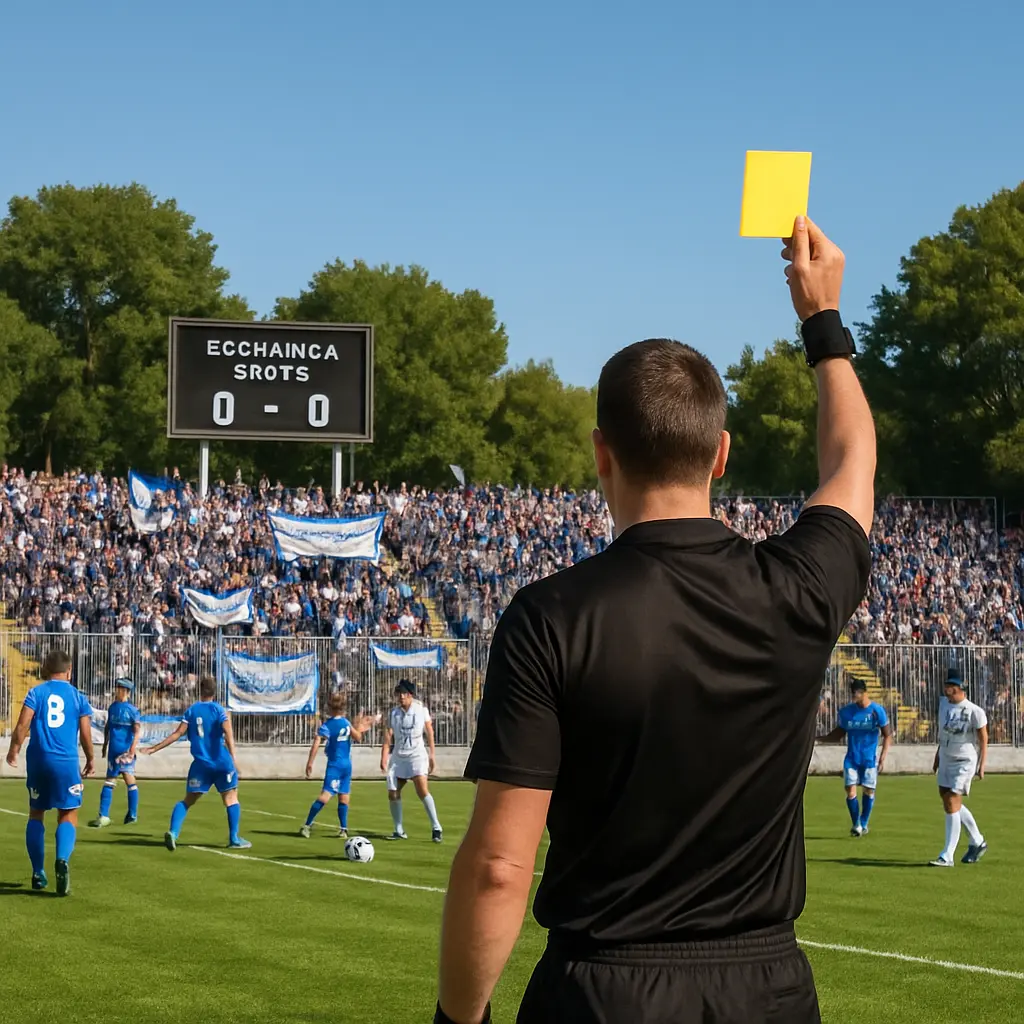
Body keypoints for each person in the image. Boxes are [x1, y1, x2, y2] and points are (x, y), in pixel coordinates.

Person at [436, 216, 875, 1024]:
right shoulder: (798, 588)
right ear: (720, 454)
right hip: (769, 991)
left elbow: (500, 864)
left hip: (602, 993)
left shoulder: (549, 617)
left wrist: (458, 1020)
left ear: (601, 453)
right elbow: (852, 464)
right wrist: (822, 320)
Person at [4, 649, 95, 896]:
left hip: (39, 760)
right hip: (66, 762)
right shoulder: (78, 697)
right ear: (69, 671)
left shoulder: (36, 692)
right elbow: (86, 733)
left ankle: (38, 872)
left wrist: (14, 750)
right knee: (68, 813)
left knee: (36, 813)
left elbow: (22, 724)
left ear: (46, 670)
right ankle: (62, 859)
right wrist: (90, 758)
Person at [142, 674, 251, 851]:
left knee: (187, 800)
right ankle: (234, 838)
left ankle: (173, 832)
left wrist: (154, 748)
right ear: (214, 692)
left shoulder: (191, 711)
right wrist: (233, 758)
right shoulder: (219, 710)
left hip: (201, 765)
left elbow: (177, 734)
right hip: (222, 763)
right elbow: (228, 734)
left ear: (200, 691)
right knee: (231, 798)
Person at [929, 667, 989, 867]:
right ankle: (977, 840)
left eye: (949, 685)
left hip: (964, 760)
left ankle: (947, 855)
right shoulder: (943, 705)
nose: (945, 688)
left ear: (958, 687)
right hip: (946, 757)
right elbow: (944, 733)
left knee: (953, 801)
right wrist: (937, 756)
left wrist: (982, 764)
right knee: (948, 801)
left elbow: (983, 738)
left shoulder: (974, 711)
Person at [816, 680, 891, 836]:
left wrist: (883, 757)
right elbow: (838, 735)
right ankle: (856, 824)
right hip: (852, 758)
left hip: (869, 759)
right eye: (853, 693)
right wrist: (818, 738)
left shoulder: (877, 711)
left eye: (857, 692)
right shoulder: (847, 712)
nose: (854, 696)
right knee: (850, 791)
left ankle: (863, 823)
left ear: (864, 692)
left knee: (868, 791)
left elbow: (887, 735)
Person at [299, 692, 374, 839]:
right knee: (344, 797)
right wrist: (359, 727)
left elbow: (317, 743)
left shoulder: (328, 725)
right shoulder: (346, 723)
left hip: (335, 765)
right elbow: (358, 737)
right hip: (347, 765)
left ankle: (307, 825)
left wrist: (310, 762)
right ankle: (343, 830)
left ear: (329, 708)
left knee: (325, 795)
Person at [380, 679, 442, 842]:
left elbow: (429, 731)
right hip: (398, 757)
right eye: (399, 693)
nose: (401, 697)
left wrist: (432, 754)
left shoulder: (421, 710)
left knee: (422, 789)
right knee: (393, 792)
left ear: (410, 695)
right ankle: (399, 830)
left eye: (404, 693)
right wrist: (384, 755)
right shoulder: (394, 713)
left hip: (416, 755)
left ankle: (436, 827)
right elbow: (388, 735)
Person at [89, 678, 142, 828]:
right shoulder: (113, 707)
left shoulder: (133, 710)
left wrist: (132, 749)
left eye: (119, 688)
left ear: (126, 691)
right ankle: (105, 815)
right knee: (112, 780)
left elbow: (137, 732)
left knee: (126, 778)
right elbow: (108, 727)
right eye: (117, 688)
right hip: (113, 750)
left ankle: (130, 814)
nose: (116, 691)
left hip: (125, 751)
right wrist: (105, 745)